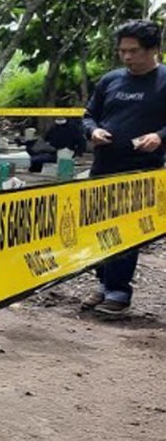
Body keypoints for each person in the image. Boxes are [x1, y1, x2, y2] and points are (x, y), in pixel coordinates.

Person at [81, 20, 166, 316]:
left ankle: (119, 291)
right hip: (103, 167)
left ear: (154, 49)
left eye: (134, 51)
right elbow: (89, 115)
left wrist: (159, 136)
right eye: (122, 51)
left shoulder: (164, 80)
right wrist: (93, 132)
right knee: (98, 228)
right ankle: (103, 284)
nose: (127, 57)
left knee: (125, 230)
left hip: (141, 172)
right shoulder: (111, 80)